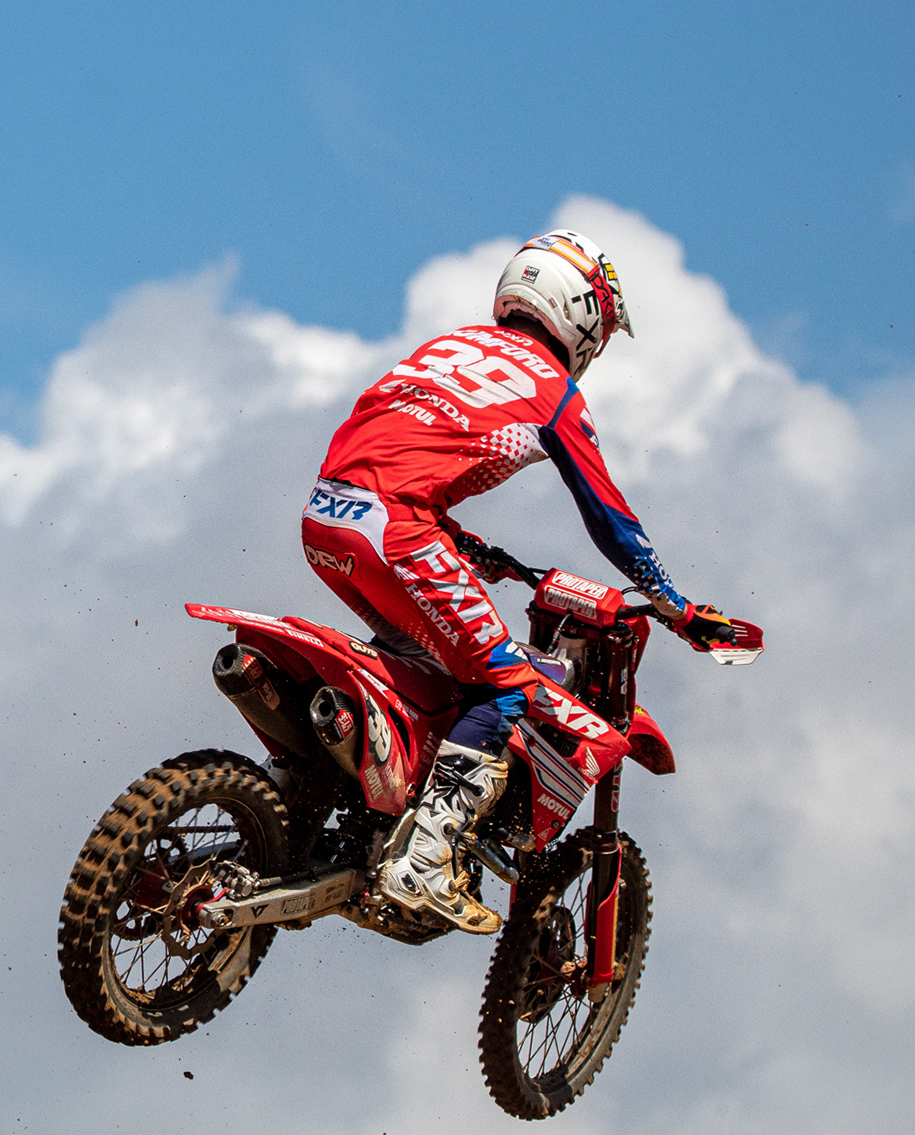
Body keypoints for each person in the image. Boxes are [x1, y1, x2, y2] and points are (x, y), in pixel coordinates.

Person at [299, 230, 734, 933]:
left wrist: (462, 541)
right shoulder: (553, 390)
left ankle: (333, 805)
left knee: (425, 667)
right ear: (582, 315)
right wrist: (674, 603)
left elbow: (384, 445)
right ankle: (424, 858)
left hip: (327, 517)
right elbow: (609, 517)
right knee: (507, 685)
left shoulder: (447, 347)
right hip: (398, 531)